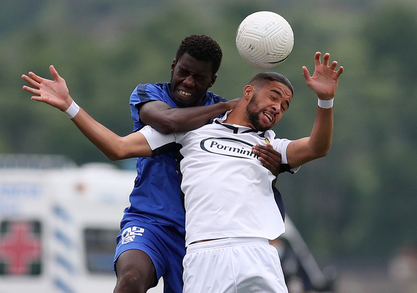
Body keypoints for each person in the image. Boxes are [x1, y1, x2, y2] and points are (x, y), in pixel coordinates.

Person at [23, 50, 343, 292]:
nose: (278, 107)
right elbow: (118, 147)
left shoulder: (273, 147)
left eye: (285, 105)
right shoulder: (192, 130)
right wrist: (69, 106)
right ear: (248, 92)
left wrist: (325, 102)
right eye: (274, 97)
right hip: (202, 256)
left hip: (256, 253)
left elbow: (318, 148)